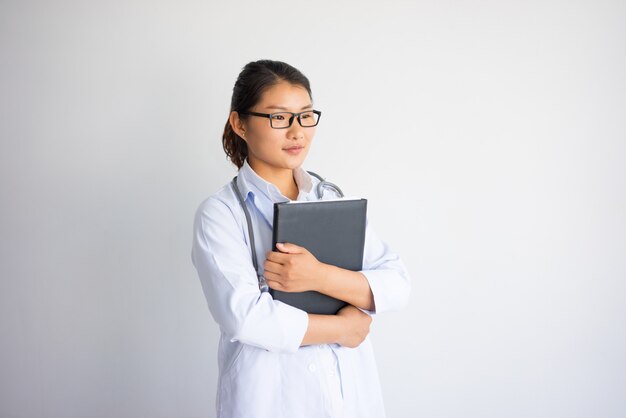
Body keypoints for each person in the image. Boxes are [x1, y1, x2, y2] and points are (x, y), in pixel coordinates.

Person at [191, 59, 411, 418]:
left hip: (348, 399)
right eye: (279, 118)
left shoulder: (331, 200)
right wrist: (342, 328)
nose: (298, 132)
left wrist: (318, 276)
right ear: (239, 124)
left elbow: (397, 284)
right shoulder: (221, 214)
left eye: (306, 116)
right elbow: (245, 318)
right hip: (272, 402)